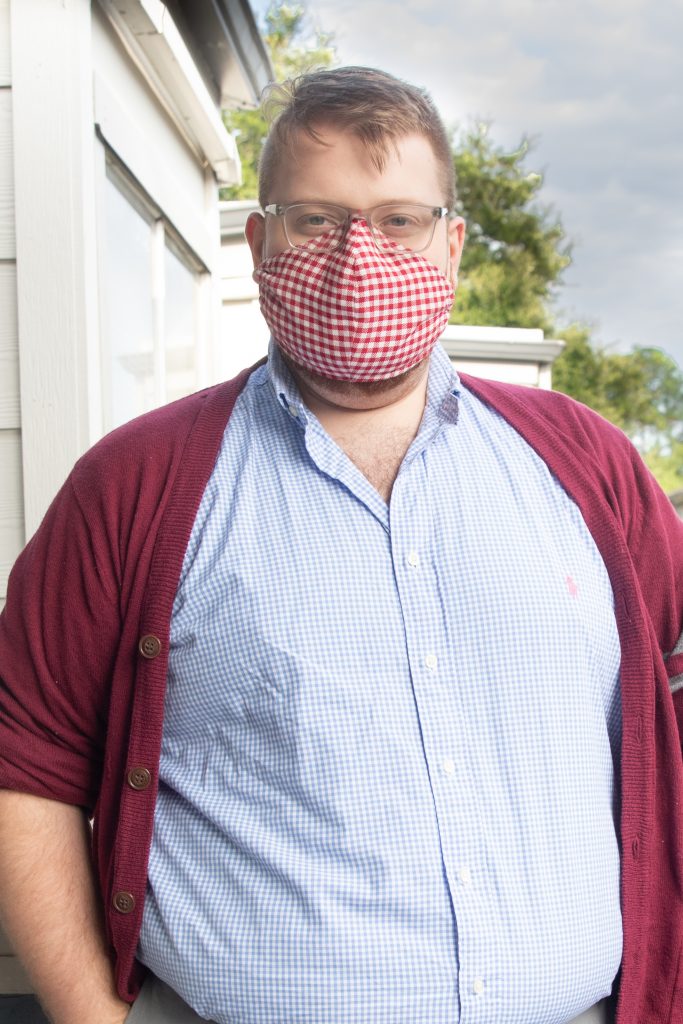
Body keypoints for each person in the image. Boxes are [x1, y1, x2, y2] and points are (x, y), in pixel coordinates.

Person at [0, 66, 681, 1024]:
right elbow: (25, 763)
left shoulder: (585, 465)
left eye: (398, 220)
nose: (357, 256)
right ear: (258, 243)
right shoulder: (135, 486)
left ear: (450, 244)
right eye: (315, 220)